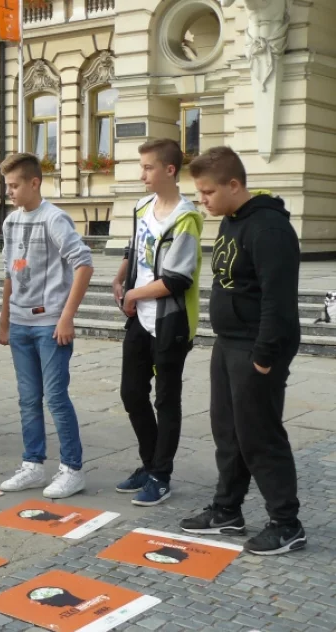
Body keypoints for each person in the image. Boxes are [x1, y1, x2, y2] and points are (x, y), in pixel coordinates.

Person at [180, 146, 305, 556]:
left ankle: (287, 524)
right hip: (228, 343)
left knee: (260, 437)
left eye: (208, 192)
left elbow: (278, 300)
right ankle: (226, 510)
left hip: (257, 346)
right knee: (228, 433)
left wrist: (265, 356)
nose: (203, 200)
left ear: (234, 185)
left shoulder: (269, 229)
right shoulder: (231, 220)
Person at [0, 153, 94, 499]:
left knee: (55, 396)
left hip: (50, 323)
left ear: (34, 182)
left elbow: (83, 264)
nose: (9, 192)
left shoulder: (54, 219)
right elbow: (10, 272)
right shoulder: (10, 223)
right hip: (21, 323)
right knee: (27, 398)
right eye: (6, 185)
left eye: (14, 185)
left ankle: (72, 468)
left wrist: (66, 316)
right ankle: (33, 465)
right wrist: (4, 320)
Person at [111, 139, 203, 507]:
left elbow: (177, 279)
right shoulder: (142, 206)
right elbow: (135, 249)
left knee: (167, 399)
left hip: (170, 323)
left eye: (148, 167)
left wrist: (133, 294)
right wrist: (120, 280)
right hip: (140, 319)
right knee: (131, 392)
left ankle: (161, 475)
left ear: (169, 170)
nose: (142, 174)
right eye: (141, 167)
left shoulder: (186, 217)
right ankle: (149, 465)